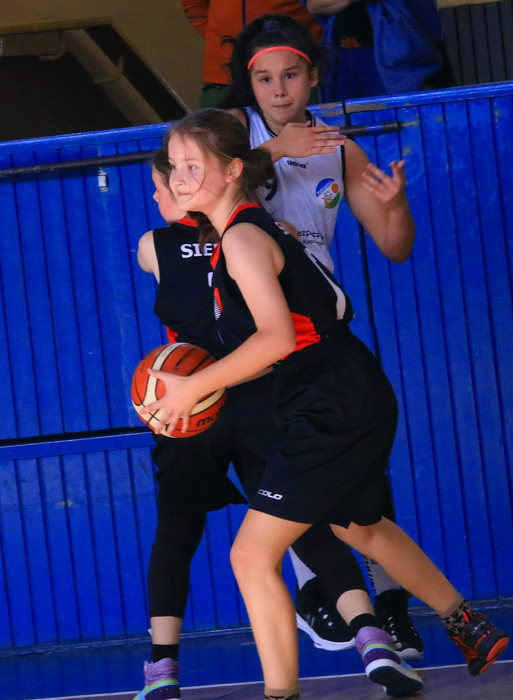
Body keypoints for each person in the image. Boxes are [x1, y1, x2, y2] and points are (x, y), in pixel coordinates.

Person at [147, 107, 509, 700]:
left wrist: (193, 385)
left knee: (251, 555)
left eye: (193, 166)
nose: (180, 177)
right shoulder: (248, 229)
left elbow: (276, 339)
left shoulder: (242, 238)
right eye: (175, 166)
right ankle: (467, 624)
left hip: (329, 396)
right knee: (359, 525)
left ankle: (280, 694)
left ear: (234, 170)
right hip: (340, 387)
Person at [134, 149, 392, 699]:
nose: (160, 193)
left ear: (190, 185)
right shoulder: (265, 229)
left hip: (193, 400)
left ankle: (162, 670)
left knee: (177, 531)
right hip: (262, 394)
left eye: (166, 182)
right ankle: (372, 638)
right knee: (306, 523)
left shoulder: (153, 245)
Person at [221, 11, 424, 653]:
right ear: (249, 84)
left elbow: (395, 247)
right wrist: (277, 151)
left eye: (291, 75)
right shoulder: (234, 132)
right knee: (287, 472)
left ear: (313, 77)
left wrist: (395, 207)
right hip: (255, 329)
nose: (278, 89)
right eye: (265, 78)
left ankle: (392, 607)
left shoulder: (340, 147)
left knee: (362, 479)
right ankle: (324, 596)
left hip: (319, 331)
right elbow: (206, 182)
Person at [304, 0, 455, 102]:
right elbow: (313, 5)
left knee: (407, 124)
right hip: (341, 58)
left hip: (399, 56)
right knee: (343, 131)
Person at [179, 0, 322, 107]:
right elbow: (193, 5)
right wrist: (225, 41)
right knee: (214, 135)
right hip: (222, 75)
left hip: (293, 68)